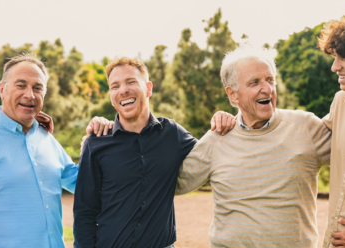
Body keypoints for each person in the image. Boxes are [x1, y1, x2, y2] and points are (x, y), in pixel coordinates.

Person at [175, 47, 332, 247]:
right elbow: (169, 185)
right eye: (254, 82)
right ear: (233, 95)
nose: (266, 89)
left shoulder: (305, 127)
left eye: (270, 80)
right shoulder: (217, 138)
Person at [73, 57, 235, 248]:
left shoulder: (172, 133)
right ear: (111, 95)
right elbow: (85, 211)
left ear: (148, 88)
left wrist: (222, 118)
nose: (123, 90)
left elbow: (210, 157)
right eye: (115, 86)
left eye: (131, 82)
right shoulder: (96, 144)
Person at [0, 53, 111, 248]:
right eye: (21, 85)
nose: (30, 95)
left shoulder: (46, 138)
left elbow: (81, 182)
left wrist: (95, 141)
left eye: (37, 88)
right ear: (2, 90)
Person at [318, 14, 345, 248]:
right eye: (335, 57)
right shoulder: (341, 101)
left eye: (344, 57)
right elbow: (305, 135)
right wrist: (241, 118)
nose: (335, 66)